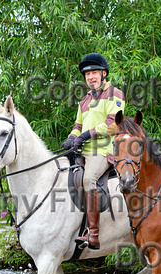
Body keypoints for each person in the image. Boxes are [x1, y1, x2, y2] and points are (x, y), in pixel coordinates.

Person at [61, 52, 124, 249]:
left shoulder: (115, 94)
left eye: (94, 73)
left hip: (104, 150)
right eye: (87, 75)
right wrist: (72, 137)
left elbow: (113, 124)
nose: (91, 77)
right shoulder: (84, 101)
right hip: (83, 150)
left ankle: (93, 234)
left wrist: (86, 135)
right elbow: (77, 125)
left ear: (104, 73)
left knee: (89, 180)